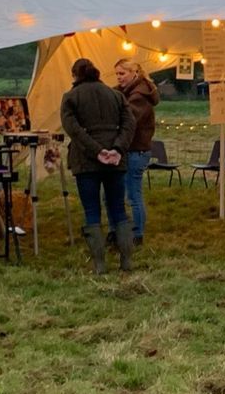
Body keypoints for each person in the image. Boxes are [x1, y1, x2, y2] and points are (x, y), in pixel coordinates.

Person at [60, 58, 135, 273]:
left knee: (92, 210)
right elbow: (130, 124)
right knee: (118, 208)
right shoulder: (116, 95)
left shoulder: (70, 98)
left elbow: (73, 130)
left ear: (75, 75)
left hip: (86, 162)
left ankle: (100, 264)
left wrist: (97, 151)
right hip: (115, 161)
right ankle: (126, 261)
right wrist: (117, 149)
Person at [113, 56, 160, 246]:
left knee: (133, 195)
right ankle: (129, 231)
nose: (119, 77)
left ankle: (138, 233)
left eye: (122, 73)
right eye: (116, 74)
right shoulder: (128, 92)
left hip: (136, 150)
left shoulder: (139, 96)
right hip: (132, 150)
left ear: (135, 73)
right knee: (129, 193)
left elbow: (129, 118)